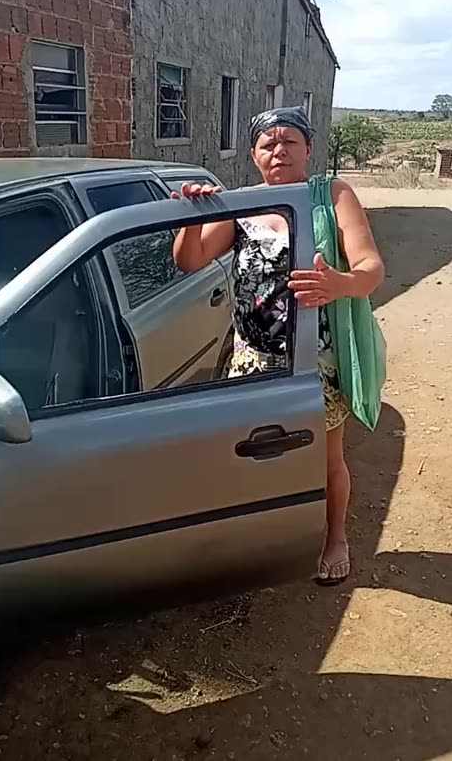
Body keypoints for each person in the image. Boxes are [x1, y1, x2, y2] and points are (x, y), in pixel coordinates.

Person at [172, 106, 385, 585]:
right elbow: (191, 260)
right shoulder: (241, 203)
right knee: (249, 451)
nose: (279, 151)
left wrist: (340, 284)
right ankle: (260, 536)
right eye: (268, 144)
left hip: (315, 359)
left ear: (308, 149)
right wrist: (192, 216)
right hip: (252, 357)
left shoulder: (331, 196)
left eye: (289, 141)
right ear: (254, 155)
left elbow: (371, 268)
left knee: (326, 457)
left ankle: (335, 539)